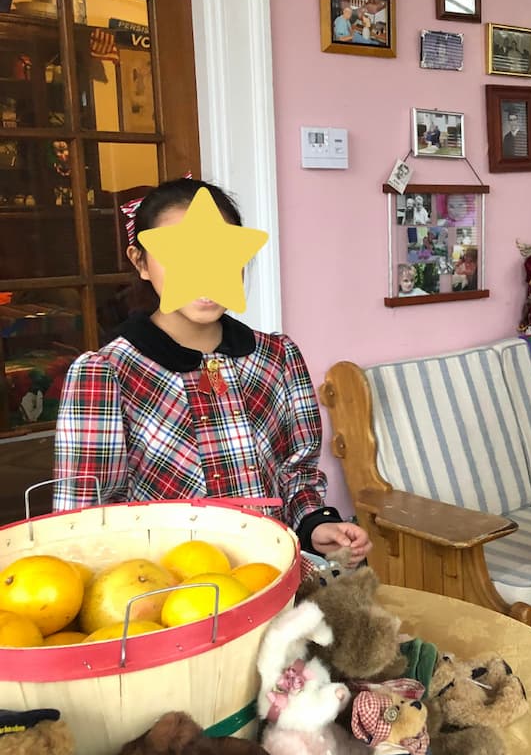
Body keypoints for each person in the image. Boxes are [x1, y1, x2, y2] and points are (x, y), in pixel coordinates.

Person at [52, 178, 372, 564]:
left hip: (274, 576)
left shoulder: (277, 357)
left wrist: (317, 525)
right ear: (140, 262)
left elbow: (297, 475)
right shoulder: (106, 375)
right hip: (168, 589)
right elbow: (84, 520)